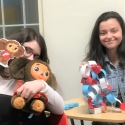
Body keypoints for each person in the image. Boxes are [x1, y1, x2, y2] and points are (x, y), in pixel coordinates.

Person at [0, 28, 64, 125]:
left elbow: (59, 110)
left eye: (36, 56)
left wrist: (43, 85)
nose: (31, 59)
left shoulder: (35, 78)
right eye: (27, 50)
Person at [81, 11, 125, 125]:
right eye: (103, 33)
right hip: (105, 122)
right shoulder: (94, 66)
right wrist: (86, 77)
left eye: (114, 31)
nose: (109, 36)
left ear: (123, 32)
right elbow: (90, 101)